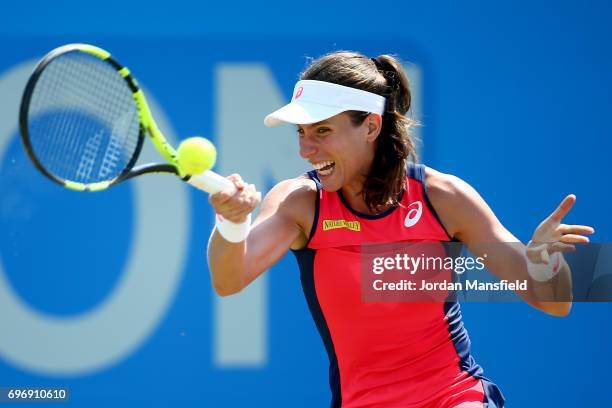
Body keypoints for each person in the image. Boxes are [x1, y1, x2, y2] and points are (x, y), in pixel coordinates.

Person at [207, 51, 594, 408]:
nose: (305, 149)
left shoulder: (443, 197)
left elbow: (554, 302)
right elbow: (229, 279)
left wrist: (545, 261)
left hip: (454, 395)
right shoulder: (300, 203)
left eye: (322, 131)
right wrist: (233, 223)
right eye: (301, 133)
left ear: (371, 126)